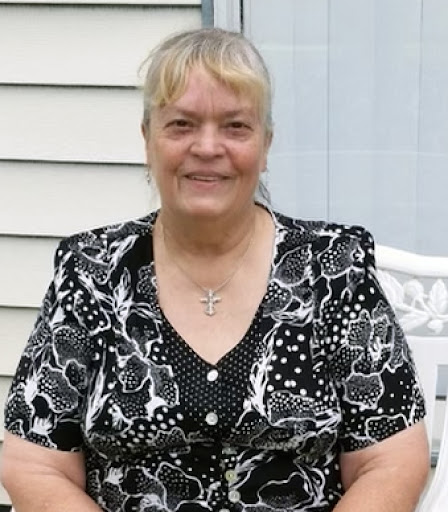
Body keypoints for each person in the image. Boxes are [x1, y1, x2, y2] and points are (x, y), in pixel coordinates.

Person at [1, 28, 429, 512]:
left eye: (235, 126)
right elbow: (35, 465)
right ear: (148, 140)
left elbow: (392, 461)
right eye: (182, 124)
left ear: (265, 146)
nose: (207, 147)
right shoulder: (91, 272)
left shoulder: (334, 270)